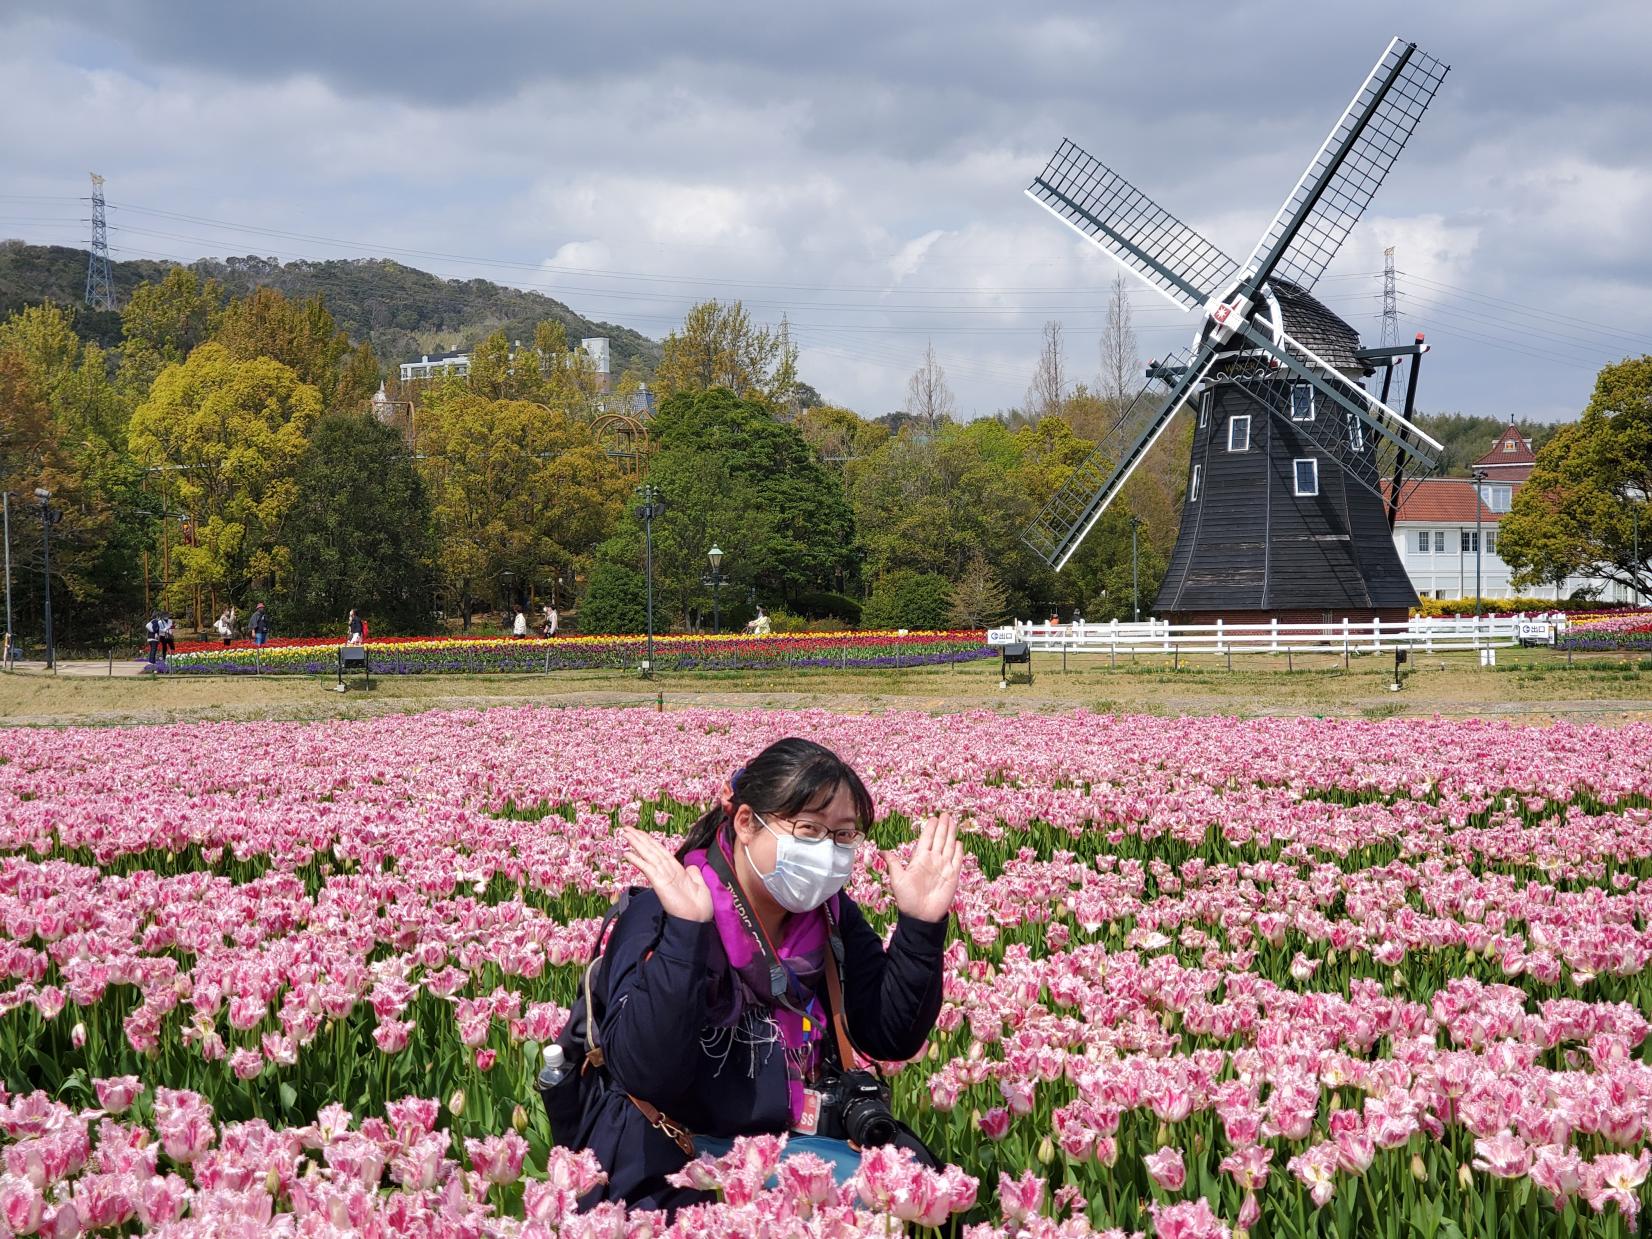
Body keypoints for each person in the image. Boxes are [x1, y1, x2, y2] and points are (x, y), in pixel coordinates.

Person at [579, 738, 962, 1210]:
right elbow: (647, 1074)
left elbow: (889, 1037)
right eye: (808, 829)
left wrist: (920, 927)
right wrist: (685, 936)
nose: (827, 852)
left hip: (795, 1150)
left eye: (843, 836)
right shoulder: (665, 911)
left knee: (926, 1191)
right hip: (676, 1161)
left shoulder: (828, 915)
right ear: (745, 823)